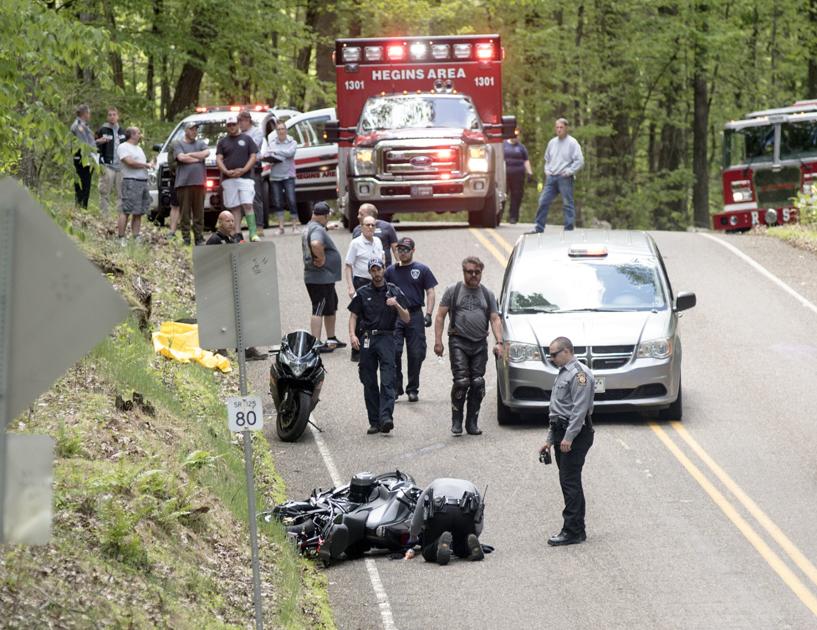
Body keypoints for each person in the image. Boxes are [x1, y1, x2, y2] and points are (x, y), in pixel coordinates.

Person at [434, 256, 503, 436]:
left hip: (479, 343)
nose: (473, 275)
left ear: (481, 272)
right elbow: (440, 315)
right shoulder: (453, 290)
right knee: (461, 382)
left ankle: (472, 422)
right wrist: (438, 341)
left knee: (477, 383)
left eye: (477, 272)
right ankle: (456, 421)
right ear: (463, 271)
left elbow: (495, 319)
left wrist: (500, 342)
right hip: (458, 341)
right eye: (469, 272)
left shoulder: (488, 294)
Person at [538, 336, 595, 546]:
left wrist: (569, 437)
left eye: (554, 354)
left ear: (567, 351)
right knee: (569, 481)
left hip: (576, 434)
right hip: (562, 431)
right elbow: (558, 411)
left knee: (569, 481)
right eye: (550, 354)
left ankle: (572, 530)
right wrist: (550, 440)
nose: (551, 358)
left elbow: (579, 411)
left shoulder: (580, 375)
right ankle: (577, 528)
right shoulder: (563, 373)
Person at [348, 258, 410, 435]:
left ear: (384, 270)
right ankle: (374, 421)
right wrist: (353, 335)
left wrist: (396, 304)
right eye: (373, 270)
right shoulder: (362, 292)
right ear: (370, 272)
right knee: (368, 380)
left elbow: (406, 318)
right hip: (368, 337)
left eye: (379, 269)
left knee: (388, 379)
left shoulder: (394, 291)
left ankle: (386, 418)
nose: (376, 273)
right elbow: (353, 316)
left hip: (387, 338)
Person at [206, 211, 265, 361]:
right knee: (223, 318)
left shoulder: (231, 239)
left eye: (233, 221)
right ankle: (221, 350)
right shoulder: (214, 240)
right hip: (220, 287)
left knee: (243, 316)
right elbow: (210, 264)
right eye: (227, 221)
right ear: (220, 223)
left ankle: (246, 348)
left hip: (235, 285)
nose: (231, 223)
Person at [384, 237, 437, 402]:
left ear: (413, 251)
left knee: (416, 353)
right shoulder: (390, 271)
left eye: (406, 249)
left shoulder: (422, 269)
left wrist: (428, 313)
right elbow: (382, 292)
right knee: (395, 352)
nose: (402, 252)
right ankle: (396, 387)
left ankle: (412, 388)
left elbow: (430, 291)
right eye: (400, 249)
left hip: (415, 315)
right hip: (395, 315)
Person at [404, 478, 485, 565]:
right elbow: (479, 513)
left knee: (427, 550)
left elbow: (419, 508)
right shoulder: (471, 485)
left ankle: (439, 543)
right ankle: (469, 547)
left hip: (441, 512)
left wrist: (413, 535)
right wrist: (475, 534)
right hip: (465, 514)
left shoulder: (435, 483)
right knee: (460, 549)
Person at [302, 201, 346, 352]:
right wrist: (321, 258)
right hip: (319, 278)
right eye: (327, 217)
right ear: (323, 216)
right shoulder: (317, 230)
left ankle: (331, 339)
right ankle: (315, 343)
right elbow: (315, 243)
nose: (327, 220)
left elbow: (315, 233)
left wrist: (327, 228)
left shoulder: (312, 226)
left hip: (324, 278)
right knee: (319, 308)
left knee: (330, 306)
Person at [533, 118, 584, 232]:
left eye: (561, 127)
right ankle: (539, 227)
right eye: (557, 127)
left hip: (564, 177)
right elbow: (547, 159)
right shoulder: (552, 143)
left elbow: (580, 160)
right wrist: (547, 170)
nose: (559, 130)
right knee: (543, 201)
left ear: (566, 128)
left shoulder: (572, 143)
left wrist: (569, 171)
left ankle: (568, 229)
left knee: (567, 203)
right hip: (552, 177)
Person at [345, 215, 385, 361]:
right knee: (360, 315)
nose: (370, 227)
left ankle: (375, 348)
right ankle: (356, 350)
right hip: (361, 281)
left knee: (376, 314)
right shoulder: (356, 243)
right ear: (361, 227)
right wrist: (350, 287)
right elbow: (348, 266)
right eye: (367, 225)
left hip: (377, 281)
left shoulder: (378, 241)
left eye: (373, 225)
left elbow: (383, 260)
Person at [216, 115, 259, 242]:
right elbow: (219, 158)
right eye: (229, 125)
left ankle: (253, 233)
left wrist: (244, 169)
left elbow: (253, 156)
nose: (232, 127)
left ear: (238, 124)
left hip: (245, 178)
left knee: (247, 204)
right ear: (226, 127)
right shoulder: (223, 142)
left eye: (234, 124)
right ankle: (237, 234)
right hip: (229, 179)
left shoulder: (247, 139)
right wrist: (226, 171)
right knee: (234, 207)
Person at [173, 121, 209, 246]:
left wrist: (191, 155)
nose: (194, 132)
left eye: (195, 129)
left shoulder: (200, 143)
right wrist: (198, 159)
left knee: (199, 213)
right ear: (186, 130)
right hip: (183, 184)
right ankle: (186, 239)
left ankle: (199, 238)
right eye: (192, 129)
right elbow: (181, 158)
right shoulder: (178, 144)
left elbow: (206, 153)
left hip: (199, 183)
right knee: (185, 213)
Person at [116, 127, 154, 245]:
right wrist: (146, 165)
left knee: (138, 211)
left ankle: (135, 236)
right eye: (138, 133)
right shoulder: (123, 147)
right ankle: (121, 237)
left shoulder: (139, 148)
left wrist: (150, 164)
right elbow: (130, 162)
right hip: (131, 182)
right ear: (132, 135)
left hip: (142, 182)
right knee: (126, 209)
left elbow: (142, 164)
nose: (140, 135)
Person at [264, 120, 297, 235]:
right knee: (278, 202)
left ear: (286, 130)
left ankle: (294, 226)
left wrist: (277, 152)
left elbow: (290, 153)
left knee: (292, 201)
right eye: (278, 129)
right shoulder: (272, 143)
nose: (281, 131)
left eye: (283, 129)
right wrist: (277, 153)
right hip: (275, 176)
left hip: (289, 175)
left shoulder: (292, 141)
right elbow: (267, 154)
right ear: (276, 131)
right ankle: (281, 227)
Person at [70, 104, 106, 209]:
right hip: (82, 159)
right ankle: (80, 209)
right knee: (82, 186)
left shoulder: (84, 125)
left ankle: (82, 208)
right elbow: (84, 145)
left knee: (86, 185)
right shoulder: (78, 126)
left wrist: (98, 142)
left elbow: (88, 142)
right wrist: (94, 150)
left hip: (87, 159)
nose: (90, 115)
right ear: (84, 114)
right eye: (89, 113)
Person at [238, 110, 267, 237]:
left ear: (247, 120)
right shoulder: (238, 133)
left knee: (256, 197)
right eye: (238, 121)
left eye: (241, 121)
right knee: (240, 198)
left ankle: (259, 226)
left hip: (253, 167)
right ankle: (237, 226)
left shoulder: (257, 131)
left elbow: (253, 148)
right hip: (240, 167)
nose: (240, 124)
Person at [96, 107, 126, 215]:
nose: (112, 117)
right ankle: (104, 216)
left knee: (121, 193)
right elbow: (92, 145)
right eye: (110, 115)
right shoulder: (102, 130)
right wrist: (99, 142)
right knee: (104, 191)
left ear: (118, 116)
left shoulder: (122, 131)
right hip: (107, 165)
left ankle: (120, 217)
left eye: (114, 114)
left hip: (121, 167)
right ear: (107, 117)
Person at [502, 131, 534, 224]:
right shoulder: (503, 145)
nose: (515, 137)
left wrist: (530, 173)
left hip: (518, 176)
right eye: (514, 136)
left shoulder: (521, 147)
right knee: (503, 195)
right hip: (505, 175)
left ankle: (513, 217)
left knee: (516, 196)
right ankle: (498, 215)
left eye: (517, 136)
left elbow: (526, 161)